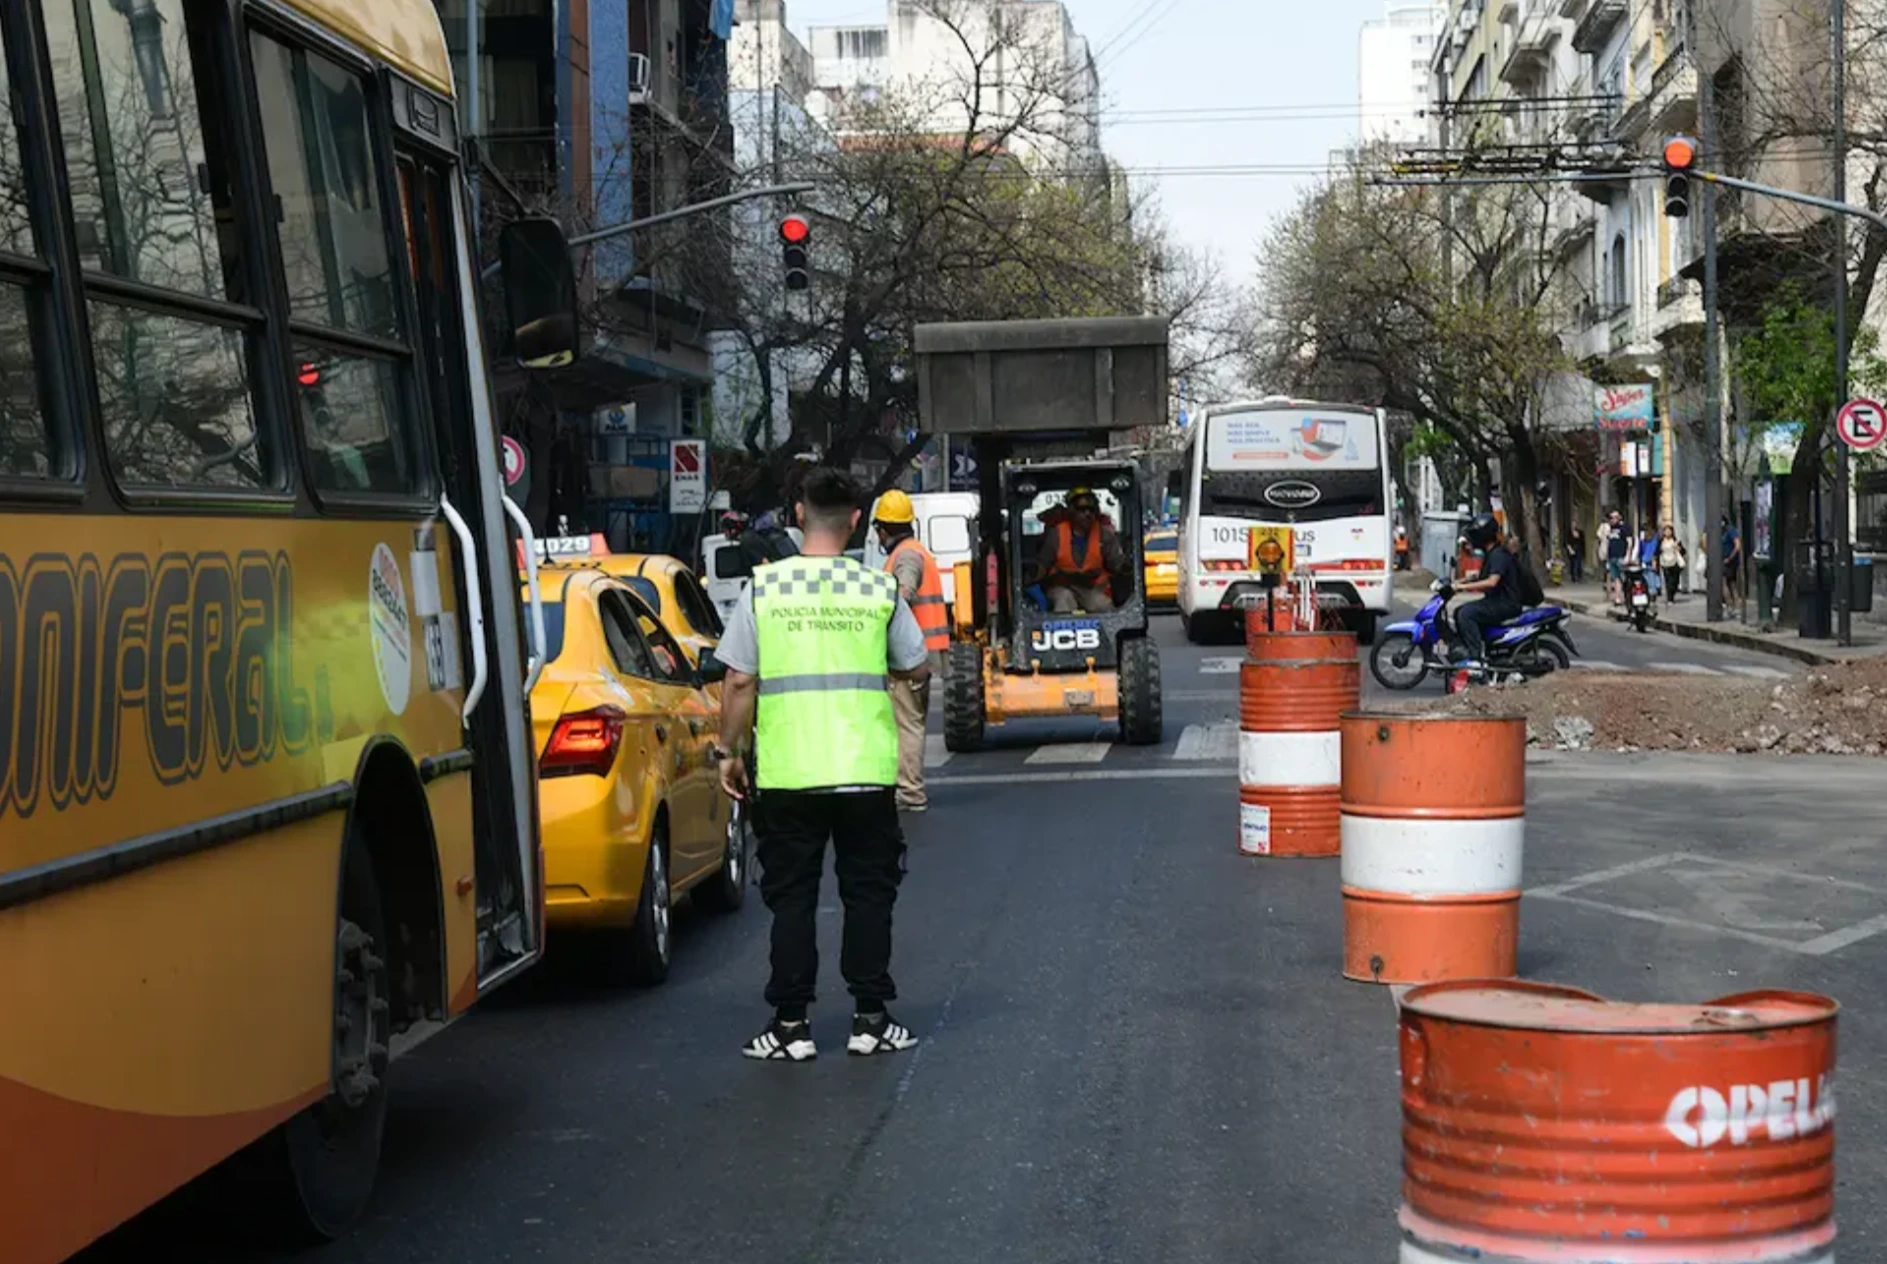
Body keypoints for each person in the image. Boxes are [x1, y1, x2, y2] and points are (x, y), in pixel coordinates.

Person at [713, 467, 931, 1062]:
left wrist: (729, 753)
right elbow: (916, 665)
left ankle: (791, 1027)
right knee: (868, 894)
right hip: (864, 770)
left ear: (798, 515)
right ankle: (870, 1020)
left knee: (792, 899)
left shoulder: (765, 589)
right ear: (856, 521)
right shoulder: (876, 590)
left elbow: (738, 681)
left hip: (789, 773)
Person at [873, 489, 951, 813]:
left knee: (907, 725)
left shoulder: (906, 557)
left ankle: (909, 792)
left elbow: (903, 592)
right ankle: (904, 787)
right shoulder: (915, 550)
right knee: (908, 723)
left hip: (909, 658)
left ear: (883, 529)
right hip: (922, 655)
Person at [1035, 487, 1125, 612]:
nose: (1087, 514)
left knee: (1102, 605)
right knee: (1063, 599)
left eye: (1091, 510)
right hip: (1061, 586)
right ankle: (1064, 625)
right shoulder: (1056, 534)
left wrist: (1125, 567)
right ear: (1071, 511)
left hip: (1092, 588)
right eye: (1082, 509)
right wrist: (1033, 578)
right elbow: (1043, 564)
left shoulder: (1104, 535)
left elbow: (1116, 562)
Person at [1449, 513, 1522, 666]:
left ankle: (1475, 659)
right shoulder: (1492, 553)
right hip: (1496, 601)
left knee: (1466, 614)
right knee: (1458, 611)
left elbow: (1491, 582)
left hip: (1506, 604)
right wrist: (1459, 581)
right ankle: (1477, 648)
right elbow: (1482, 575)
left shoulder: (1498, 555)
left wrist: (1462, 587)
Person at [1657, 524, 1686, 607]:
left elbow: (1683, 551)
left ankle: (1673, 592)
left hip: (1675, 563)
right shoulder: (1661, 541)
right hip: (1665, 563)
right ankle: (1670, 598)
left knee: (1675, 581)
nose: (1667, 532)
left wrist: (1679, 549)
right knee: (1668, 580)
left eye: (1669, 531)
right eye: (1666, 531)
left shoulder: (1676, 541)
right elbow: (1657, 551)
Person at [1603, 511, 1629, 604]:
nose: (1612, 520)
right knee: (1616, 578)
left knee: (1624, 577)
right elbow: (1608, 543)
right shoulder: (1610, 529)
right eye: (1611, 518)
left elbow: (1629, 542)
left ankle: (1627, 596)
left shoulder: (1624, 528)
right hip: (1612, 557)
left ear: (1619, 518)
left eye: (1614, 517)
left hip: (1621, 556)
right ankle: (1618, 597)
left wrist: (1627, 556)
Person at [1721, 514, 1744, 606]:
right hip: (1724, 560)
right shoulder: (1721, 532)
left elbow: (1737, 545)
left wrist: (1730, 558)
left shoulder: (1730, 530)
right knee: (1730, 583)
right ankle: (1733, 602)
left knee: (1727, 582)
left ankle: (1731, 603)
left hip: (1730, 561)